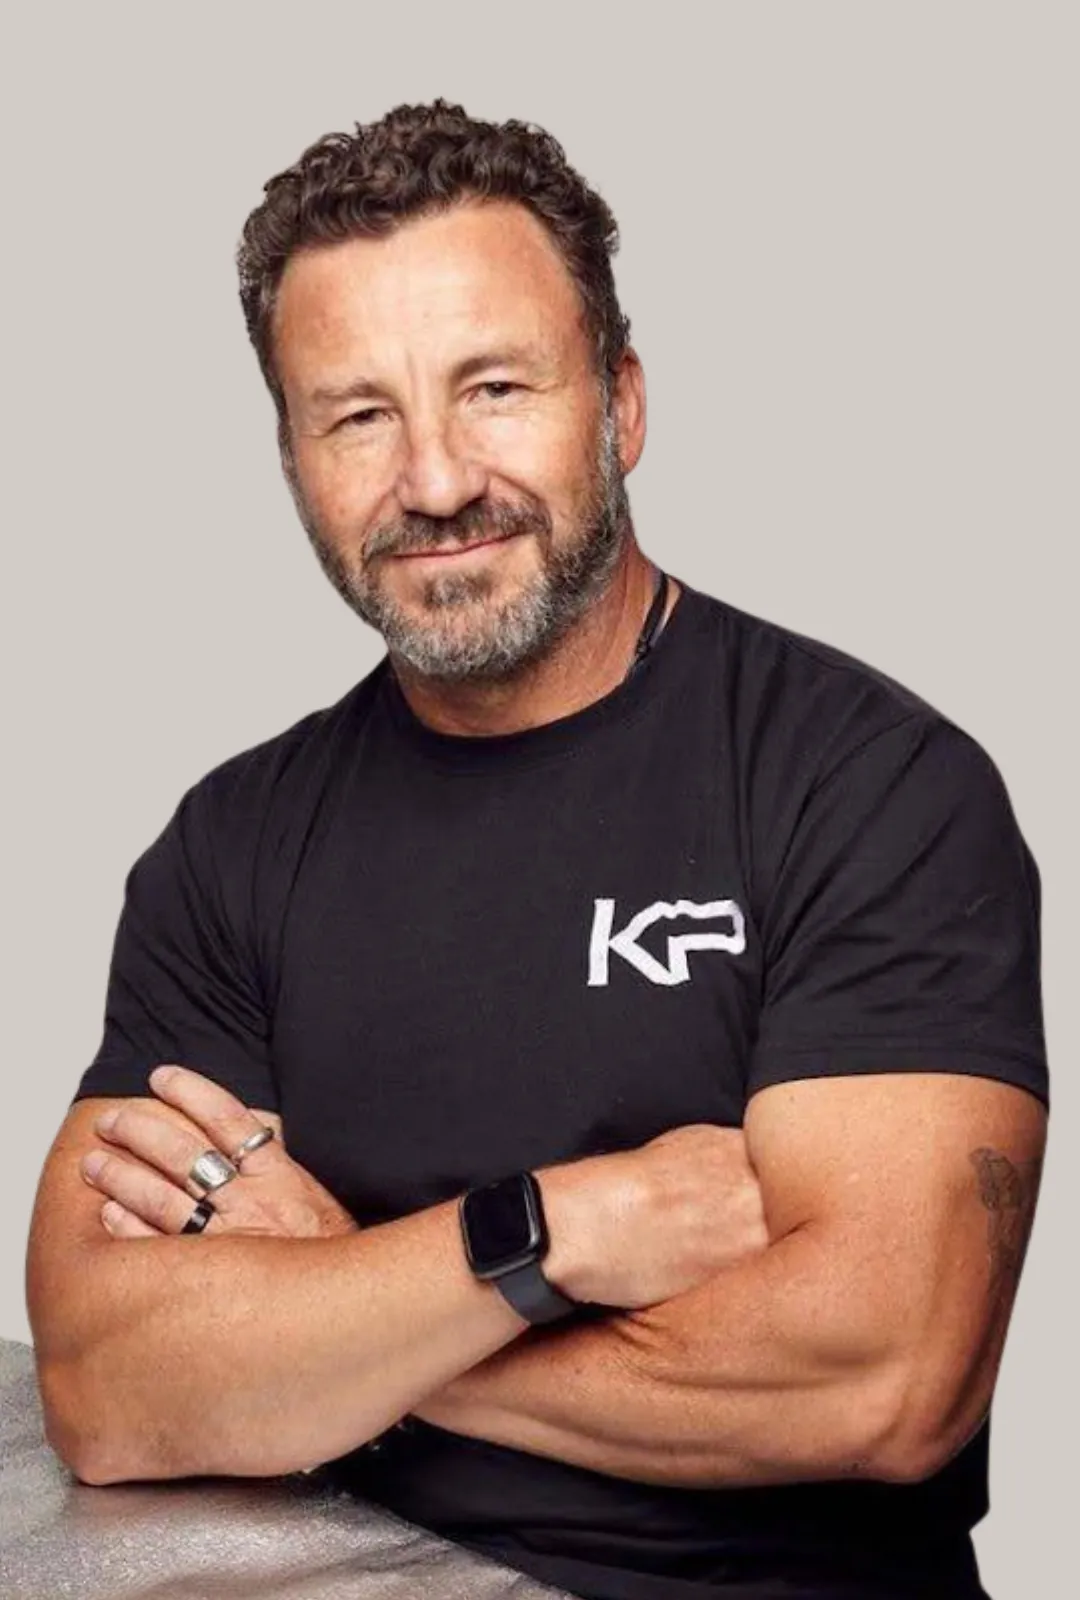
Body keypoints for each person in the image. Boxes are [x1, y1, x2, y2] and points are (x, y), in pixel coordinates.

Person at [26, 101, 1047, 1600]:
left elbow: (884, 1380)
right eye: (357, 416)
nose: (437, 480)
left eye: (494, 389)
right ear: (291, 457)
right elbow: (108, 1386)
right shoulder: (230, 849)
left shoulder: (870, 789)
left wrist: (339, 1312)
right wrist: (558, 1230)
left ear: (620, 406)